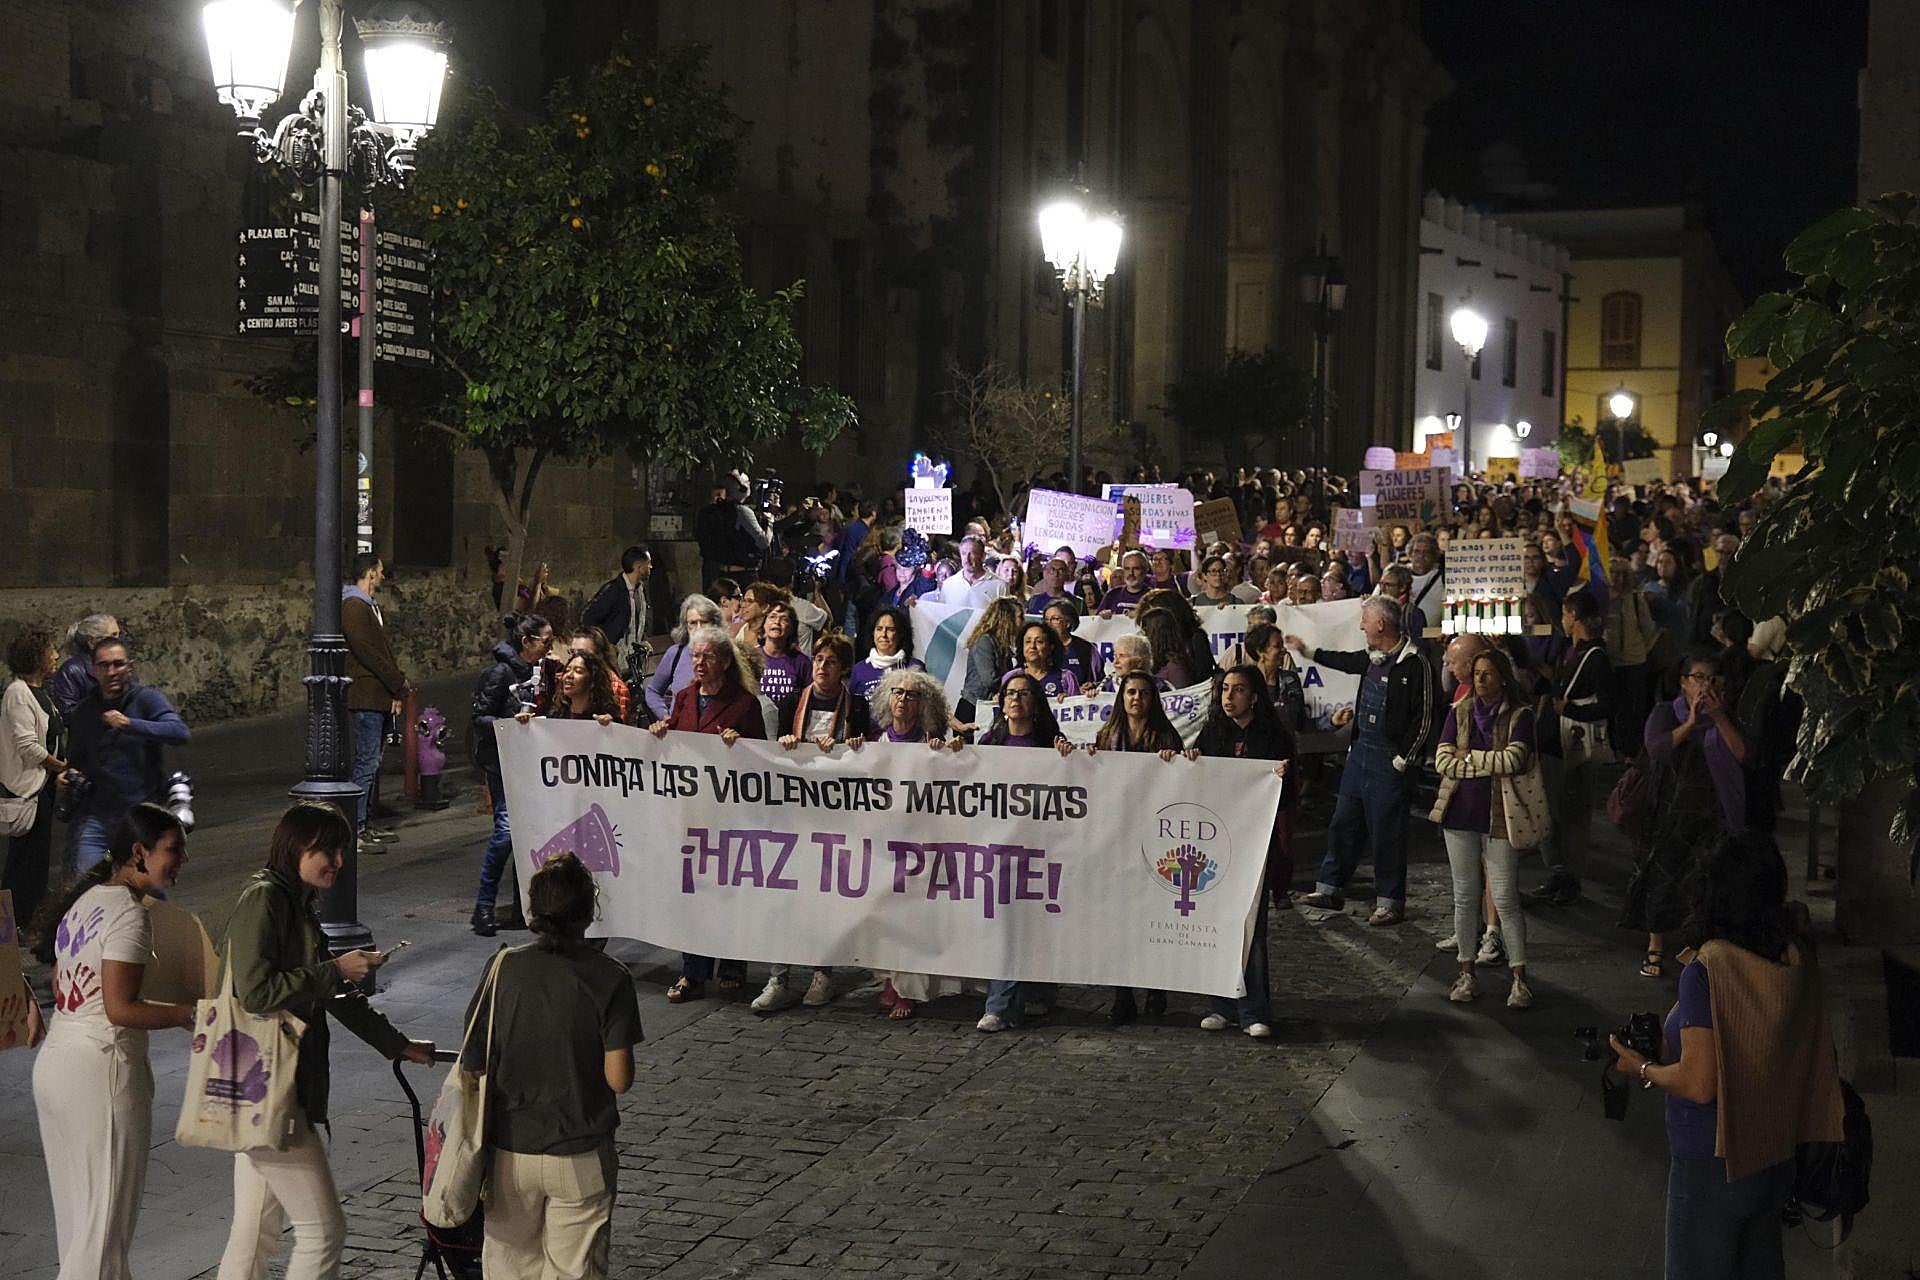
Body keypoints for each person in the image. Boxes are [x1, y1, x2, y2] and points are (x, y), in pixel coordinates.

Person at [1605, 832, 1843, 1280]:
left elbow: (1700, 1084)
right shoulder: (1794, 956)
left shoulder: (1710, 968)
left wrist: (1641, 1066)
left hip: (1713, 1159)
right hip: (1774, 1155)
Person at [215, 803, 435, 1280]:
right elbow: (254, 991)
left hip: (271, 1084)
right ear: (294, 847)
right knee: (323, 1231)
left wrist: (396, 1043)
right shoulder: (265, 899)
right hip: (272, 1085)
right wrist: (334, 969)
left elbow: (333, 995)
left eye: (341, 850)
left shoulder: (297, 902)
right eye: (325, 850)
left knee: (254, 1232)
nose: (337, 860)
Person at [29, 804, 196, 1280]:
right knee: (101, 1240)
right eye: (174, 849)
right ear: (140, 852)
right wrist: (191, 1014)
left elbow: (69, 984)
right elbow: (120, 1009)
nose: (183, 859)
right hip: (101, 1072)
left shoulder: (87, 900)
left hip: (58, 1065)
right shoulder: (129, 915)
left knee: (83, 1233)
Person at [464, 853, 640, 1280]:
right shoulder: (611, 977)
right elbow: (619, 1078)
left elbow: (474, 1059)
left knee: (509, 1267)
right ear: (588, 912)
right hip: (580, 1152)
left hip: (510, 1152)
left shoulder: (502, 968)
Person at [1294, 597, 1435, 926]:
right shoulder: (1372, 657)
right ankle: (1330, 888)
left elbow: (1425, 717)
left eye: (1365, 620)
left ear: (1381, 624)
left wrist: (1403, 760)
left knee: (1387, 832)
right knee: (1344, 822)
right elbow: (1344, 661)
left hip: (1389, 761)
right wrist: (1309, 652)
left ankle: (1389, 901)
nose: (1361, 626)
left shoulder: (1415, 663)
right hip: (1360, 756)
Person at [649, 626, 766, 1002]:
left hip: (729, 814)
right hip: (691, 812)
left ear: (725, 662)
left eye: (708, 656)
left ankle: (732, 964)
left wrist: (741, 745)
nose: (699, 663)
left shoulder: (744, 704)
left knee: (728, 891)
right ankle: (693, 971)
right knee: (693, 892)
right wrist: (661, 729)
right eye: (696, 656)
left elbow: (762, 760)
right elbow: (676, 736)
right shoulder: (684, 697)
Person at [1621, 650, 1749, 980]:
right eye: (1698, 678)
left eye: (1712, 679)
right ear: (1683, 682)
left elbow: (1741, 754)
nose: (1705, 686)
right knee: (1661, 878)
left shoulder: (1726, 715)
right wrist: (1690, 724)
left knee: (1706, 880)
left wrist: (1718, 718)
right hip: (1669, 810)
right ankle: (1656, 945)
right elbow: (1656, 749)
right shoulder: (1666, 712)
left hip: (1712, 811)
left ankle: (1699, 946)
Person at [1430, 647, 1540, 1010]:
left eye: (1488, 673)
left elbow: (1515, 759)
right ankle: (1466, 973)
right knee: (1464, 896)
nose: (1480, 679)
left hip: (1500, 816)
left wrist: (1470, 758)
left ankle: (1519, 979)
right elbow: (1443, 760)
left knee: (1505, 897)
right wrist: (1487, 763)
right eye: (1476, 672)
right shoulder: (1458, 712)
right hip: (1459, 814)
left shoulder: (1520, 715)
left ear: (1503, 678)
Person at [1189, 665, 1290, 1038]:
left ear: (1255, 696)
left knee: (1250, 928)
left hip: (1254, 844)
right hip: (1216, 842)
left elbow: (1286, 799)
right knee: (1217, 924)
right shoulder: (1212, 734)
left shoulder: (1273, 738)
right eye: (1225, 689)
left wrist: (1280, 779)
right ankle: (1221, 1005)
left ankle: (1253, 1010)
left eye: (1239, 690)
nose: (1229, 697)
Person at [975, 674, 1070, 1033]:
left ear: (1036, 702)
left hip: (1039, 848)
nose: (1016, 699)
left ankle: (1038, 992)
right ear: (1001, 702)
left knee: (1033, 924)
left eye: (1024, 693)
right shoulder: (989, 743)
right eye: (1010, 694)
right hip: (999, 848)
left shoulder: (1050, 744)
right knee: (1007, 927)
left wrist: (1070, 758)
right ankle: (1001, 1007)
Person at [865, 667, 962, 1019]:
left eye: (911, 694)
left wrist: (949, 754)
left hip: (919, 845)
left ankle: (907, 989)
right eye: (897, 692)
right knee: (883, 915)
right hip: (882, 843)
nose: (903, 699)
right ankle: (891, 980)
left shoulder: (931, 746)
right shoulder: (873, 743)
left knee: (911, 916)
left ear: (924, 704)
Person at [63, 636, 191, 876]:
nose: (112, 672)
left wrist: (130, 724)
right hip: (97, 816)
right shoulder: (85, 711)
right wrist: (67, 775)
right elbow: (76, 758)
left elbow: (179, 733)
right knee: (88, 884)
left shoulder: (146, 699)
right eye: (104, 665)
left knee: (147, 884)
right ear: (93, 670)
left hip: (140, 816)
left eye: (118, 664)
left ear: (130, 666)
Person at [1528, 589, 1616, 908]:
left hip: (1575, 748)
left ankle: (1571, 878)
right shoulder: (1570, 651)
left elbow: (1607, 705)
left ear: (1575, 616)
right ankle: (1559, 872)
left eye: (1565, 614)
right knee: (1549, 813)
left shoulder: (1596, 657)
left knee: (1574, 817)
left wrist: (1571, 710)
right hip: (1554, 745)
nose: (1562, 620)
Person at [469, 613, 554, 937]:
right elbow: (479, 717)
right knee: (505, 831)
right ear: (527, 642)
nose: (550, 646)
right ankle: (484, 907)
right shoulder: (501, 673)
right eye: (546, 640)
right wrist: (510, 725)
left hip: (531, 762)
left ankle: (523, 907)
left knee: (526, 834)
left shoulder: (541, 671)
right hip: (503, 763)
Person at [341, 553, 410, 848]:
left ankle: (367, 824)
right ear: (369, 572)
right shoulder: (353, 606)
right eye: (379, 571)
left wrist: (394, 690)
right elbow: (369, 652)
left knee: (373, 762)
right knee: (366, 763)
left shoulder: (368, 605)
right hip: (366, 694)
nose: (382, 575)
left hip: (377, 694)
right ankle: (356, 830)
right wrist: (397, 683)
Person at [3, 628, 66, 927]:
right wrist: (59, 766)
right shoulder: (18, 693)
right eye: (51, 651)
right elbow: (28, 746)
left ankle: (24, 919)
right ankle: (12, 926)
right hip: (29, 789)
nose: (56, 655)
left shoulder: (38, 692)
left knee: (35, 860)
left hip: (42, 788)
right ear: (36, 658)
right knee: (24, 862)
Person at [1606, 556, 1658, 758]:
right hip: (1608, 662)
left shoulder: (1636, 600)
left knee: (1632, 710)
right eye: (1614, 573)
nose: (1618, 578)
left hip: (1633, 663)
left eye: (1623, 574)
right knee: (1611, 709)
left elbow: (1648, 630)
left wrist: (1640, 651)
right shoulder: (1601, 599)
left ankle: (1631, 753)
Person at [579, 544, 654, 681]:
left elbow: (639, 620)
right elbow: (588, 618)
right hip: (614, 664)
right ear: (638, 566)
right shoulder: (613, 590)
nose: (651, 567)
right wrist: (605, 646)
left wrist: (643, 639)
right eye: (648, 563)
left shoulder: (640, 591)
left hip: (633, 663)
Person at [958, 596, 1025, 731]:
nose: (1024, 621)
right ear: (1007, 618)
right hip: (973, 709)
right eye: (1020, 617)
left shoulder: (1003, 645)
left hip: (988, 707)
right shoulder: (984, 641)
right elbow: (989, 680)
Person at [695, 473, 770, 589]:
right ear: (742, 488)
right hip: (742, 575)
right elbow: (763, 542)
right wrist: (770, 521)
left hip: (717, 573)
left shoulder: (710, 511)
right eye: (748, 482)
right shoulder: (742, 512)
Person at [519, 651, 621, 728]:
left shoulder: (604, 719)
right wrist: (524, 723)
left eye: (578, 671)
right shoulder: (556, 715)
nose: (569, 675)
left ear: (592, 681)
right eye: (567, 670)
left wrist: (611, 726)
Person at [49, 613, 117, 723]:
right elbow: (67, 713)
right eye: (113, 636)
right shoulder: (71, 670)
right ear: (93, 642)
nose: (118, 642)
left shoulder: (119, 666)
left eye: (118, 635)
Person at [754, 601, 813, 727]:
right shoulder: (750, 658)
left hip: (789, 729)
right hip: (755, 727)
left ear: (791, 628)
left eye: (784, 619)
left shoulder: (802, 663)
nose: (777, 622)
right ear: (764, 624)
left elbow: (809, 701)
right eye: (772, 617)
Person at [849, 605, 923, 700]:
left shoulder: (915, 667)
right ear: (872, 633)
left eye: (890, 629)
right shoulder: (859, 670)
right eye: (879, 629)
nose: (883, 634)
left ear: (901, 634)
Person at [567, 628, 634, 724]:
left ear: (599, 655)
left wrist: (609, 721)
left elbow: (619, 727)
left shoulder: (615, 687)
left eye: (582, 653)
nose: (576, 658)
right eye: (572, 652)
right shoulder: (568, 679)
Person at [1004, 620, 1080, 699]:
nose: (1032, 646)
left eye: (1039, 642)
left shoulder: (1066, 678)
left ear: (1051, 648)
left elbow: (1078, 704)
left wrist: (1068, 700)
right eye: (1028, 642)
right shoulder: (1010, 677)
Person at [1044, 599, 1105, 690]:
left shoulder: (1086, 649)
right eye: (1046, 620)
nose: (1049, 624)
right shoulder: (1040, 647)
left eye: (1055, 619)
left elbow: (1101, 681)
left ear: (1068, 623)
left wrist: (1092, 685)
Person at [934, 535, 1007, 610]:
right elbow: (942, 614)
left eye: (972, 553)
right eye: (963, 553)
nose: (967, 559)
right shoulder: (948, 585)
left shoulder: (1000, 586)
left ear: (983, 556)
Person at [1098, 549, 1151, 614]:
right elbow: (1095, 619)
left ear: (1145, 570)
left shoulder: (1153, 597)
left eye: (1136, 568)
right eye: (1127, 568)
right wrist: (1103, 615)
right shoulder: (1112, 595)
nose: (1131, 573)